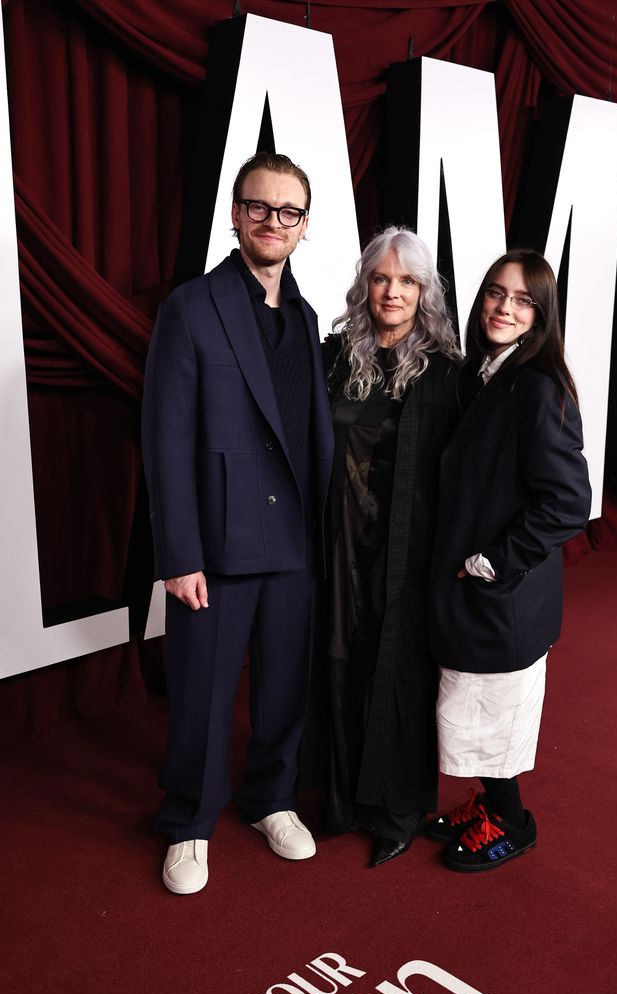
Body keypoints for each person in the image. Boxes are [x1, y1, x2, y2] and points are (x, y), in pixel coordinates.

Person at [141, 152, 334, 894]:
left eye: (288, 212)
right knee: (203, 690)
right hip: (216, 544)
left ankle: (271, 799)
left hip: (295, 542)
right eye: (259, 207)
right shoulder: (192, 306)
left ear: (304, 227)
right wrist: (178, 554)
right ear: (236, 213)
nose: (272, 221)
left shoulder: (308, 315)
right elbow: (165, 440)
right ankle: (189, 820)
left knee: (285, 686)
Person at [428, 249, 591, 871]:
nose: (504, 307)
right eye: (496, 293)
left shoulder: (539, 389)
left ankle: (513, 823)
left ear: (541, 315)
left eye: (523, 300)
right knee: (471, 708)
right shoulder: (482, 371)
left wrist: (493, 562)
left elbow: (569, 502)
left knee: (492, 717)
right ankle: (489, 806)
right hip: (471, 593)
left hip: (504, 594)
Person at [322, 226, 459, 866]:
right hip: (338, 541)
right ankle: (340, 797)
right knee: (337, 659)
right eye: (382, 278)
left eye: (407, 280)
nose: (393, 291)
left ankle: (396, 810)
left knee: (398, 672)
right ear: (365, 284)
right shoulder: (334, 357)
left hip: (408, 548)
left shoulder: (446, 375)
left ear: (425, 291)